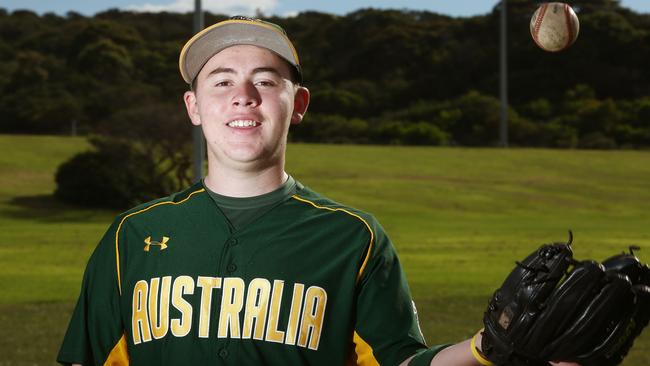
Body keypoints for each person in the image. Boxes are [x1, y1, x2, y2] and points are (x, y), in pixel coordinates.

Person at [57, 16, 581, 366]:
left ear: (298, 103)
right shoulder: (134, 234)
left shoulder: (351, 237)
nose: (242, 96)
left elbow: (402, 360)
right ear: (193, 108)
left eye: (265, 80)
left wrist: (486, 348)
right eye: (220, 81)